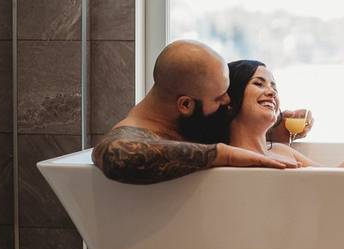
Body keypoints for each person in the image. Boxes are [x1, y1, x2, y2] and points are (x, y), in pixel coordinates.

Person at [93, 40, 313, 184]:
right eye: (220, 97)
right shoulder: (138, 129)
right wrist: (227, 155)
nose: (228, 100)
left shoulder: (188, 119)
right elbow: (115, 154)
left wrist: (275, 126)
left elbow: (224, 128)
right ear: (186, 104)